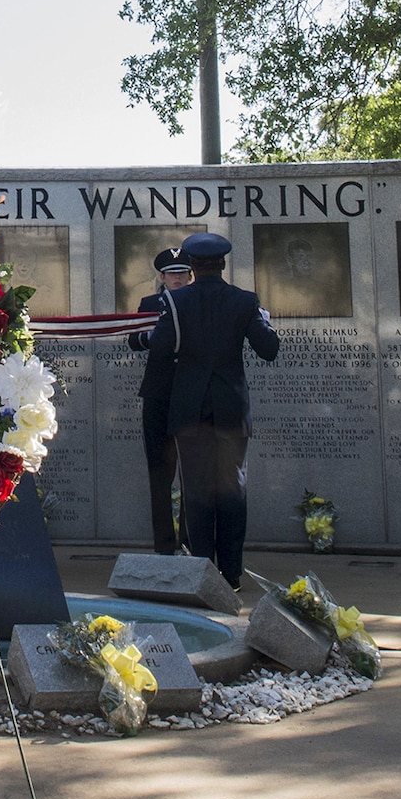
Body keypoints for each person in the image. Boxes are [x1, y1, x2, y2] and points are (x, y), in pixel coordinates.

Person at [144, 232, 280, 587]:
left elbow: (161, 349)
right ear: (222, 265)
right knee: (233, 491)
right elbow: (269, 349)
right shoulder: (245, 301)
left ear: (192, 266)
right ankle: (231, 573)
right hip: (231, 410)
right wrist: (264, 321)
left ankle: (205, 576)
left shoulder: (176, 303)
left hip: (191, 410)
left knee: (198, 493)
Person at [127, 248, 192, 554]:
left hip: (192, 394)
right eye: (172, 274)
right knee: (159, 472)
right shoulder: (151, 304)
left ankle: (192, 541)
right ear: (161, 277)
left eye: (182, 273)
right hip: (158, 393)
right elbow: (133, 339)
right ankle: (164, 544)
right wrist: (155, 337)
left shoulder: (198, 301)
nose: (177, 279)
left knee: (194, 473)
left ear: (190, 275)